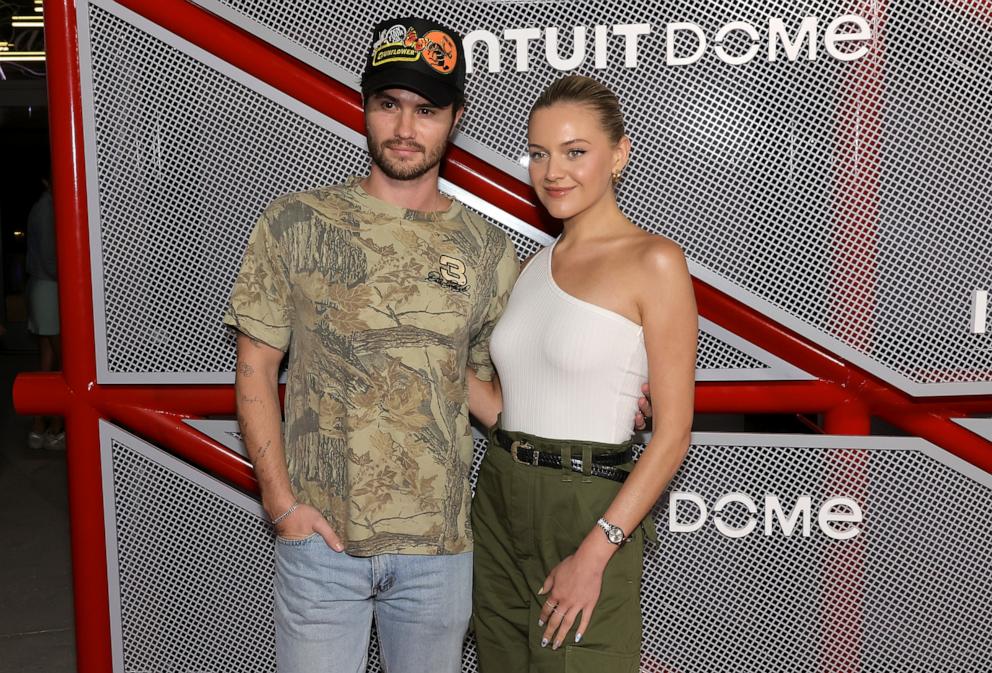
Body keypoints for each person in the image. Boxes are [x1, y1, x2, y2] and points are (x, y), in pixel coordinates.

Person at [223, 17, 521, 673]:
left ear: (456, 117)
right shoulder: (294, 222)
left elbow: (504, 402)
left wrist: (605, 400)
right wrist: (282, 505)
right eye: (389, 105)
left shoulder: (489, 251)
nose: (406, 128)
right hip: (321, 544)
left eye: (427, 109)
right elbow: (255, 365)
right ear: (364, 107)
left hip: (439, 553)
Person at [469, 75, 698, 672]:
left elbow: (672, 434)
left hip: (587, 507)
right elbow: (506, 407)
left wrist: (596, 552)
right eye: (540, 153)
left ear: (619, 155)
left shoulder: (656, 261)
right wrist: (418, 350)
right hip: (498, 494)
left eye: (575, 152)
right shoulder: (528, 268)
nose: (553, 171)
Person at [25, 174, 64, 451]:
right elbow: (52, 258)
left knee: (47, 362)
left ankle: (40, 427)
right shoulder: (48, 208)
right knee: (64, 361)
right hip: (50, 288)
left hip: (41, 287)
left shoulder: (41, 206)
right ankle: (55, 426)